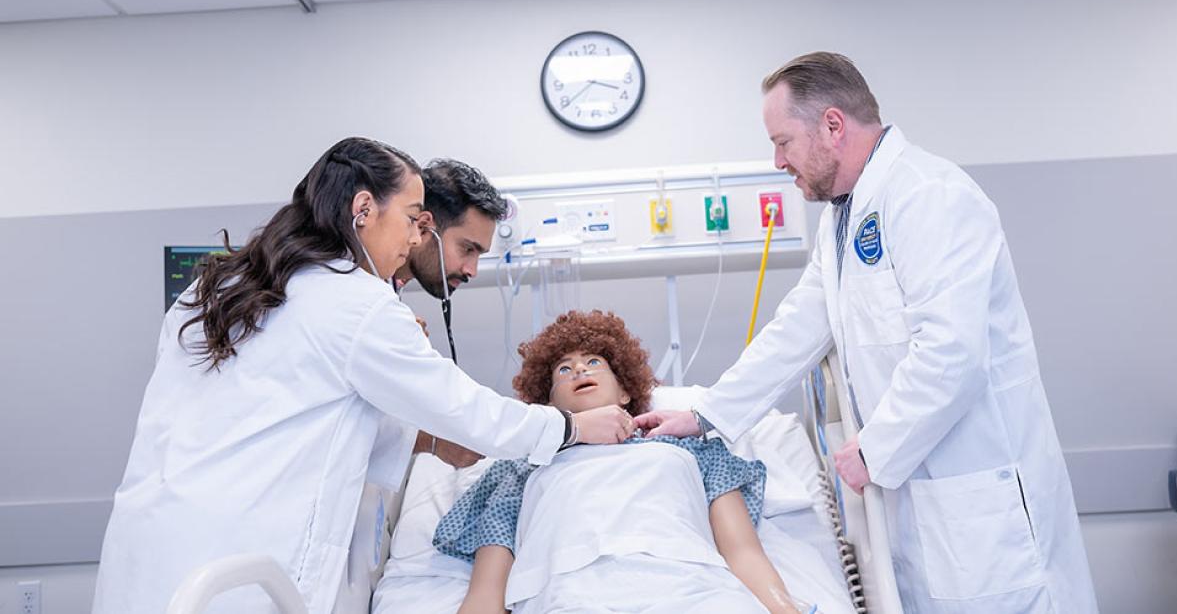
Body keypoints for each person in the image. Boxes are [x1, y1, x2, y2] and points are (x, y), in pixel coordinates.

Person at [92, 137, 636, 614]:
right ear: (363, 210)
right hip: (248, 559)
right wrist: (569, 427)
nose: (415, 238)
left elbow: (295, 410)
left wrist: (423, 439)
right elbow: (469, 413)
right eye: (412, 219)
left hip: (152, 546)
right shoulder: (357, 304)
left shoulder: (215, 286)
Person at [635, 53, 1097, 612]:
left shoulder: (931, 196)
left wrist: (874, 451)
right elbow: (797, 329)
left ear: (832, 125)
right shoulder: (841, 218)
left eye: (783, 141)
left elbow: (953, 355)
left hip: (979, 501)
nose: (777, 160)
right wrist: (707, 413)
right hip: (920, 506)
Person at [430, 310, 811, 614]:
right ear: (548, 406)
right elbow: (487, 592)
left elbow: (742, 551)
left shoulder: (691, 449)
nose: (579, 370)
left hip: (695, 589)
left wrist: (783, 608)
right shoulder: (521, 468)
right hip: (571, 596)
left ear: (627, 391)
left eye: (594, 362)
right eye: (563, 370)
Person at [394, 158, 509, 470]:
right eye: (467, 249)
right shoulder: (368, 300)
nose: (472, 270)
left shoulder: (390, 297)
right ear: (424, 226)